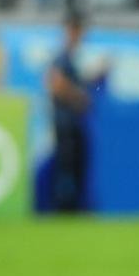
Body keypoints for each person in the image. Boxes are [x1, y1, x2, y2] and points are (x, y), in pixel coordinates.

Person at [48, 12, 103, 212]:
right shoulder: (62, 57)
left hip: (72, 122)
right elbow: (56, 84)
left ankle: (71, 208)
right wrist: (81, 98)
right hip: (66, 122)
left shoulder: (71, 57)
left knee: (74, 166)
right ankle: (65, 209)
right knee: (68, 167)